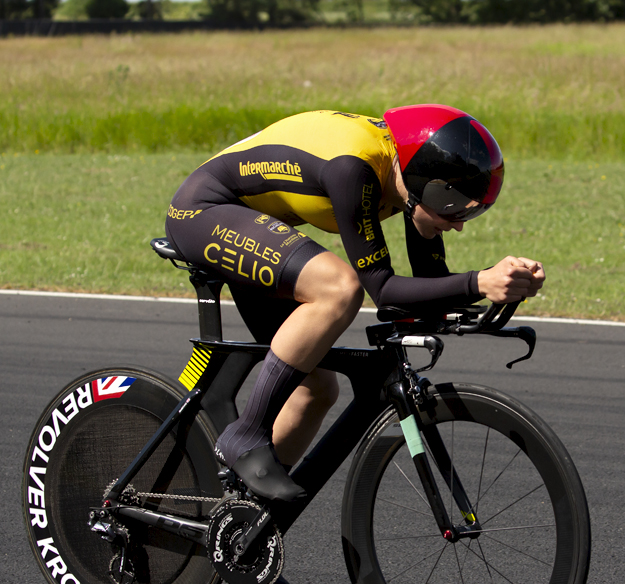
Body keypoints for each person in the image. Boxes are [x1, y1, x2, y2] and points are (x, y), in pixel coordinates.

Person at [166, 104, 545, 505]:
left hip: (249, 219)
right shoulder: (355, 170)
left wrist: (494, 290)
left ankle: (241, 520)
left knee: (315, 389)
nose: (458, 223)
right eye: (452, 207)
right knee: (340, 287)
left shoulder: (407, 175)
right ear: (422, 182)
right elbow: (382, 290)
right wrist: (481, 281)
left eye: (471, 211)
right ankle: (246, 435)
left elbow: (430, 286)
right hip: (204, 211)